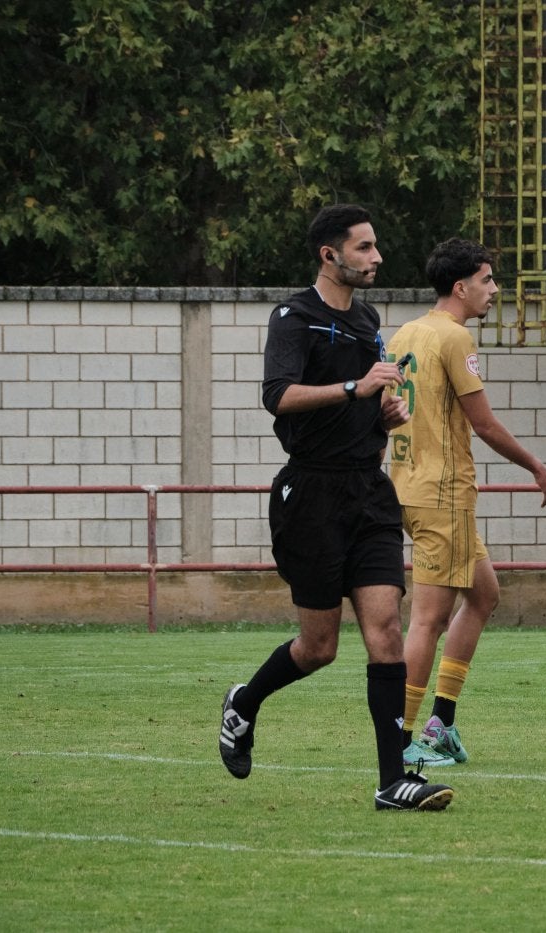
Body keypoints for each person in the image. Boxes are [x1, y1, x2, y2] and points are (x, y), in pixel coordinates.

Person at [218, 204, 454, 811]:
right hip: (312, 494)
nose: (377, 258)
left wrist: (383, 414)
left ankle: (392, 781)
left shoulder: (368, 319)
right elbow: (278, 396)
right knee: (319, 647)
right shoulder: (293, 318)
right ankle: (245, 702)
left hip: (370, 491)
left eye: (375, 246)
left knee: (386, 631)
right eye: (364, 248)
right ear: (330, 255)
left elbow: (365, 401)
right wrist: (356, 388)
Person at [386, 237, 546, 767]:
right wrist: (536, 466)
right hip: (442, 494)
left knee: (484, 596)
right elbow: (483, 424)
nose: (494, 289)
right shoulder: (455, 337)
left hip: (407, 487)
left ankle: (442, 722)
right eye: (487, 279)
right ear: (460, 287)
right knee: (428, 620)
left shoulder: (405, 333)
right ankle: (401, 738)